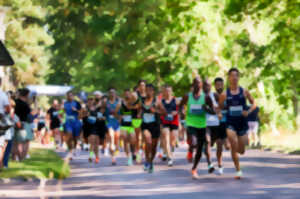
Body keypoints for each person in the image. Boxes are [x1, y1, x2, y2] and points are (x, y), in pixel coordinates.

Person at [218, 68, 256, 179]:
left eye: (236, 75)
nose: (234, 78)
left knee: (242, 150)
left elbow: (254, 104)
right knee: (233, 143)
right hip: (230, 122)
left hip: (242, 123)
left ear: (238, 77)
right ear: (229, 78)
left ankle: (236, 150)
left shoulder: (244, 92)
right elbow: (219, 108)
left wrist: (248, 111)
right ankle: (238, 170)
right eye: (232, 75)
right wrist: (220, 114)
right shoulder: (224, 94)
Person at [179, 77, 215, 179]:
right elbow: (181, 106)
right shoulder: (187, 96)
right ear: (193, 84)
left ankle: (194, 168)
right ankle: (191, 149)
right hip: (190, 124)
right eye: (195, 83)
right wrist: (182, 112)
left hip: (202, 125)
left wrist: (206, 109)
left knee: (199, 149)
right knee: (194, 142)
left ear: (201, 85)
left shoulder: (206, 97)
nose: (197, 85)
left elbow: (213, 111)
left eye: (199, 83)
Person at [140, 84, 165, 173]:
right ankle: (147, 160)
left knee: (154, 146)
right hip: (145, 125)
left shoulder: (157, 101)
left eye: (150, 90)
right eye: (147, 90)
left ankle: (150, 162)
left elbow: (164, 112)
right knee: (148, 141)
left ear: (153, 91)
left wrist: (156, 111)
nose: (148, 92)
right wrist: (139, 114)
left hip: (155, 125)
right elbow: (139, 110)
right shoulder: (142, 101)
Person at [214, 77, 230, 175]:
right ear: (215, 86)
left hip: (226, 123)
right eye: (217, 85)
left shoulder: (227, 95)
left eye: (221, 85)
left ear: (223, 85)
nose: (219, 86)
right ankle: (220, 165)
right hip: (216, 123)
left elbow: (231, 106)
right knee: (219, 145)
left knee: (227, 146)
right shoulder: (212, 96)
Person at [160, 85, 179, 167]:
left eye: (169, 91)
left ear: (171, 91)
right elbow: (159, 111)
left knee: (173, 140)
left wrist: (176, 112)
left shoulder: (176, 100)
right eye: (166, 91)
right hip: (165, 122)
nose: (168, 92)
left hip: (174, 122)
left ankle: (171, 149)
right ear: (164, 92)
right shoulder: (161, 101)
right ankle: (169, 158)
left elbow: (180, 109)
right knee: (166, 138)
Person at [14, 88, 34, 161]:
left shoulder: (14, 102)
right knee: (24, 142)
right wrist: (35, 103)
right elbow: (32, 113)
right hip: (23, 123)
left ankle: (14, 158)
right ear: (27, 95)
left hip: (14, 123)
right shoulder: (25, 104)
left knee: (16, 143)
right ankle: (21, 158)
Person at [104, 88, 121, 165]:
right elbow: (101, 111)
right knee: (111, 137)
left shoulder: (119, 102)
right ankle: (113, 158)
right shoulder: (105, 102)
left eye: (113, 92)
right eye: (110, 92)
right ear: (108, 94)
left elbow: (122, 113)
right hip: (109, 122)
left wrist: (120, 119)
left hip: (117, 123)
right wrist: (101, 117)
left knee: (117, 139)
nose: (112, 94)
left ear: (115, 94)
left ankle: (115, 152)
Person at [64, 91, 82, 160]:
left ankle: (74, 148)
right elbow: (63, 111)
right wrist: (61, 113)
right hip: (68, 122)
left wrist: (76, 110)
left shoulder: (77, 103)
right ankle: (70, 151)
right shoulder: (65, 103)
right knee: (69, 136)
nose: (69, 97)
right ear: (67, 97)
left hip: (76, 122)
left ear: (73, 96)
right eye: (68, 96)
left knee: (75, 138)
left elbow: (81, 112)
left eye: (71, 95)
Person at [120, 89, 136, 166]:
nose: (127, 95)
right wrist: (120, 116)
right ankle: (129, 158)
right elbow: (117, 112)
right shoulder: (121, 102)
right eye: (125, 94)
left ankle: (133, 151)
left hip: (132, 124)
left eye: (128, 94)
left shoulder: (134, 102)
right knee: (125, 140)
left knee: (132, 139)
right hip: (124, 124)